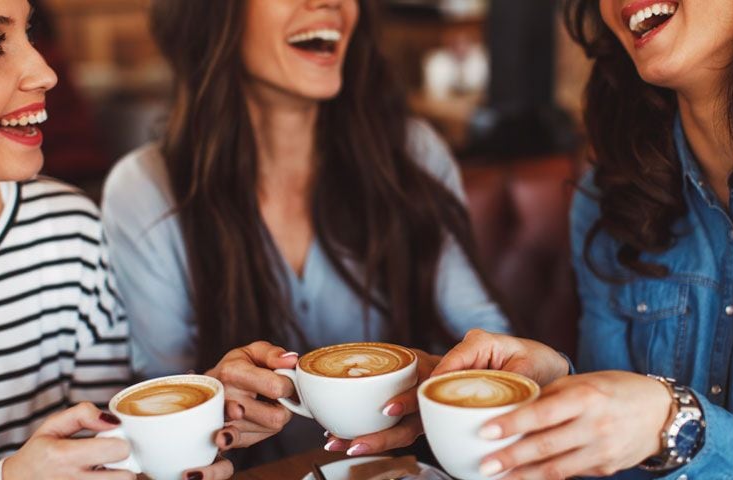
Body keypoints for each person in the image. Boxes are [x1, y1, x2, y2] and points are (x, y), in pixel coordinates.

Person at [102, 0, 510, 463]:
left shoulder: (411, 154)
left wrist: (446, 379)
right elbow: (159, 397)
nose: (332, 4)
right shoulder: (144, 190)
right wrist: (214, 394)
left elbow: (489, 339)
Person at [427, 0, 733, 478]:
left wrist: (676, 423)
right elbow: (614, 448)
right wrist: (558, 382)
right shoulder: (611, 195)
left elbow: (654, 419)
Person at [0, 1, 234, 479]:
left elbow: (103, 449)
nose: (45, 71)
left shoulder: (67, 232)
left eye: (28, 34)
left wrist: (198, 420)